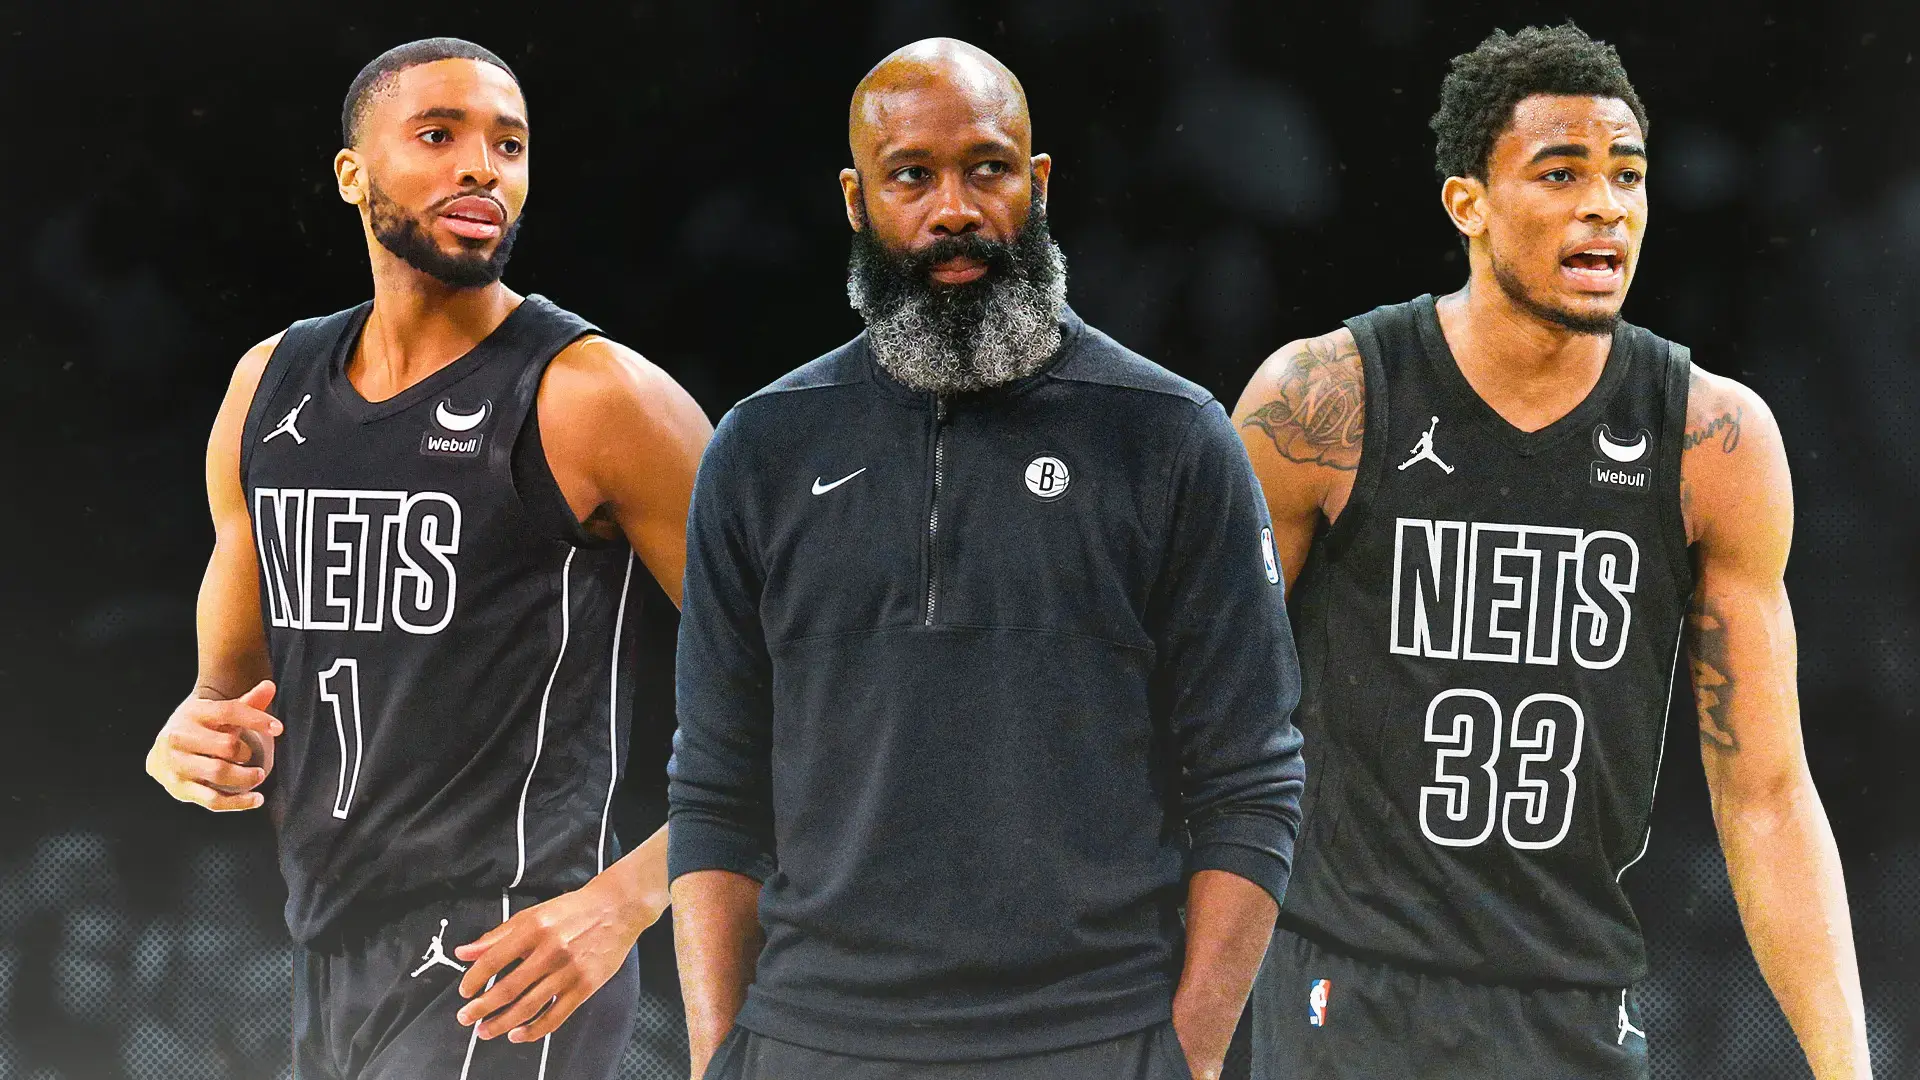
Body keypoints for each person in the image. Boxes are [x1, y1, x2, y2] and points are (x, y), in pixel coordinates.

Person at [1231, 23, 1870, 1080]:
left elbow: (1765, 792)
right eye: (1561, 172)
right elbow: (1202, 713)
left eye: (1627, 175)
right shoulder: (1325, 403)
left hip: (1574, 1006)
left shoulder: (1712, 443)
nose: (1605, 206)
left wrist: (1849, 1071)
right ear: (1467, 203)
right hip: (1345, 991)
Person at [667, 37, 1306, 1080]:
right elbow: (715, 789)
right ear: (856, 198)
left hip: (1092, 1038)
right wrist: (715, 1059)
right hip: (811, 1039)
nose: (954, 208)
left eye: (989, 168)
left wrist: (1181, 1062)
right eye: (911, 175)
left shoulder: (1172, 437)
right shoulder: (761, 448)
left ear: (1038, 183)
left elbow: (1254, 782)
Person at [142, 38, 713, 1079]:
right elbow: (227, 700)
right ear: (353, 175)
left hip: (509, 949)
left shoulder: (596, 396)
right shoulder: (268, 387)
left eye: (510, 143)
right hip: (328, 947)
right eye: (439, 136)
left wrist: (624, 901)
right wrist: (190, 744)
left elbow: (809, 685)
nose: (482, 168)